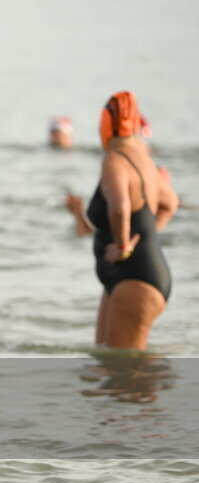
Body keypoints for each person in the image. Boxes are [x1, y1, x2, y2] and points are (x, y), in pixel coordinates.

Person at [62, 91, 178, 350]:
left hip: (136, 279)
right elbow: (170, 203)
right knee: (106, 364)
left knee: (128, 377)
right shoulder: (143, 160)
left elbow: (120, 209)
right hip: (128, 276)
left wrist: (125, 246)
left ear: (106, 124)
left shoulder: (115, 159)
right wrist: (144, 240)